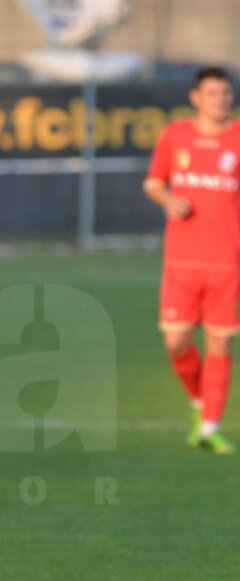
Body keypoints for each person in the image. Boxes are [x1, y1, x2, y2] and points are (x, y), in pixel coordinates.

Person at [144, 66, 240, 454]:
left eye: (226, 93)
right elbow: (153, 182)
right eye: (213, 93)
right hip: (181, 262)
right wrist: (169, 201)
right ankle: (198, 404)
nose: (221, 100)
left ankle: (210, 427)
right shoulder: (175, 135)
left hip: (228, 262)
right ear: (195, 97)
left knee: (220, 344)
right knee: (176, 341)